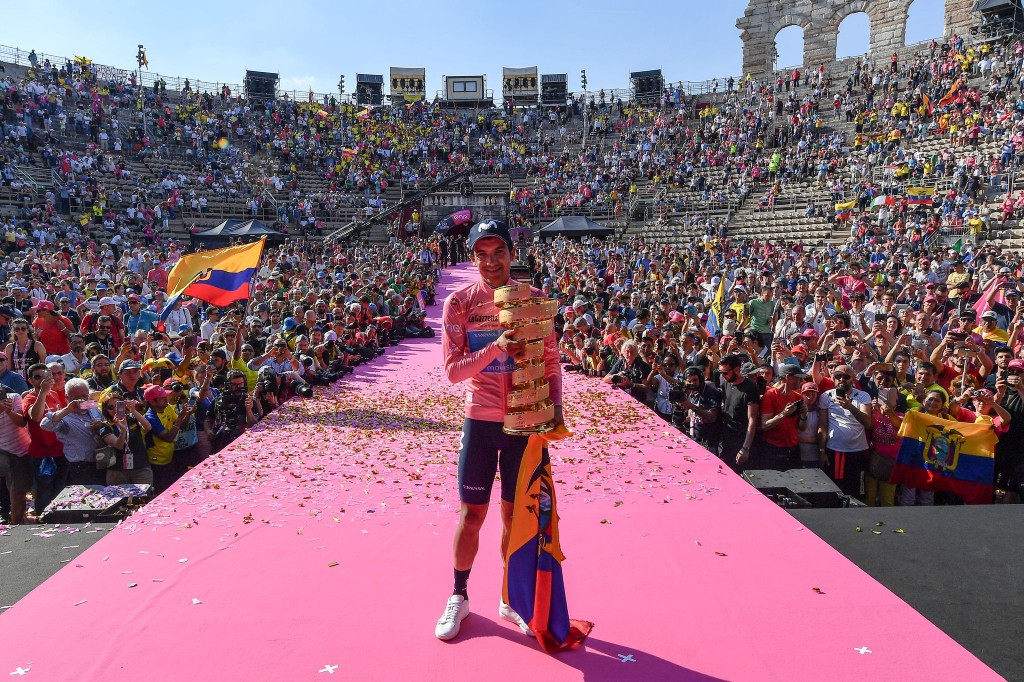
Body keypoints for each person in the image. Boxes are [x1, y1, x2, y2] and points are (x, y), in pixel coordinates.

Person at [436, 220, 563, 641]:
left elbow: (550, 363)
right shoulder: (459, 303)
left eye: (499, 253)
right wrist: (496, 347)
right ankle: (459, 595)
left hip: (525, 425)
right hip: (480, 420)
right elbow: (454, 372)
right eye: (482, 255)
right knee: (472, 515)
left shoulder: (536, 301)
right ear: (473, 258)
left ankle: (510, 597)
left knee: (515, 515)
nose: (491, 262)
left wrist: (554, 412)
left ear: (512, 254)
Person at [818, 364, 873, 498]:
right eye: (838, 376)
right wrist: (821, 450)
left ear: (853, 379)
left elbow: (868, 423)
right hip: (835, 450)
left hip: (857, 452)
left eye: (846, 376)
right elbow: (823, 425)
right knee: (835, 490)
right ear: (833, 378)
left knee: (855, 491)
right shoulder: (826, 396)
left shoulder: (863, 396)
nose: (842, 379)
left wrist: (850, 407)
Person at [40, 378, 105, 486]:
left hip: (101, 462)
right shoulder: (64, 416)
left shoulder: (94, 410)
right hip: (80, 467)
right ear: (67, 397)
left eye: (84, 396)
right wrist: (68, 409)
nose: (81, 400)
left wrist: (101, 426)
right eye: (76, 397)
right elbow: (45, 425)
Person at [716, 354, 760, 472]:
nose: (723, 376)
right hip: (726, 438)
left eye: (725, 373)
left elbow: (752, 420)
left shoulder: (750, 387)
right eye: (720, 373)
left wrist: (745, 448)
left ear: (736, 370)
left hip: (741, 439)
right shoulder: (726, 383)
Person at [0, 383, 31, 524]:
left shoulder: (14, 397)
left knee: (18, 493)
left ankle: (17, 524)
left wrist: (8, 411)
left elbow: (22, 422)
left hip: (20, 452)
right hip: (3, 453)